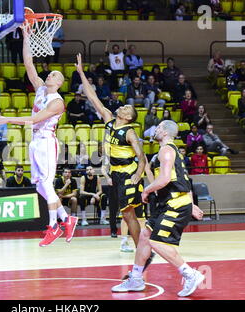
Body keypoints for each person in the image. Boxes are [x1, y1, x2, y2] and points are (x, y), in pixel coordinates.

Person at [0, 28, 78, 247]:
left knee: (47, 184)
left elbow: (35, 119)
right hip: (35, 141)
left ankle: (54, 226)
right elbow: (28, 62)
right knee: (40, 186)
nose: (50, 75)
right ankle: (67, 219)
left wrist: (7, 120)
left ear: (60, 83)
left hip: (47, 141)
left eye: (55, 75)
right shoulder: (39, 88)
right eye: (50, 73)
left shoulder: (57, 102)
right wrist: (26, 34)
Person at [111, 120, 205, 297]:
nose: (155, 130)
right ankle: (137, 278)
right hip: (167, 203)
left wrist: (146, 190)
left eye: (159, 127)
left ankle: (190, 274)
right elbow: (185, 180)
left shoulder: (167, 150)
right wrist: (192, 204)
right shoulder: (169, 151)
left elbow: (165, 179)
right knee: (145, 237)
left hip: (175, 204)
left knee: (156, 241)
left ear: (165, 132)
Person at [75, 53, 146, 252]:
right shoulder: (109, 120)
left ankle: (141, 247)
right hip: (115, 172)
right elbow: (92, 97)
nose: (122, 106)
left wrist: (136, 177)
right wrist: (81, 72)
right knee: (126, 213)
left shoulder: (130, 132)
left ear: (128, 116)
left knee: (129, 214)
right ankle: (140, 245)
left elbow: (142, 159)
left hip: (128, 174)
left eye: (126, 107)